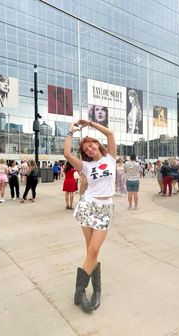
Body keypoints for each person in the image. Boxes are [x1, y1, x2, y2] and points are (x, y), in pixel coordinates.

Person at [64, 118, 116, 313]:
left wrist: (90, 124)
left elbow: (110, 133)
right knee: (91, 252)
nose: (90, 149)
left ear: (97, 144)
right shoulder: (86, 167)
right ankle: (95, 289)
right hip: (88, 206)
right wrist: (71, 131)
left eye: (92, 145)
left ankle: (80, 291)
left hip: (105, 209)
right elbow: (67, 153)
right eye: (86, 149)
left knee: (93, 250)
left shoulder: (110, 158)